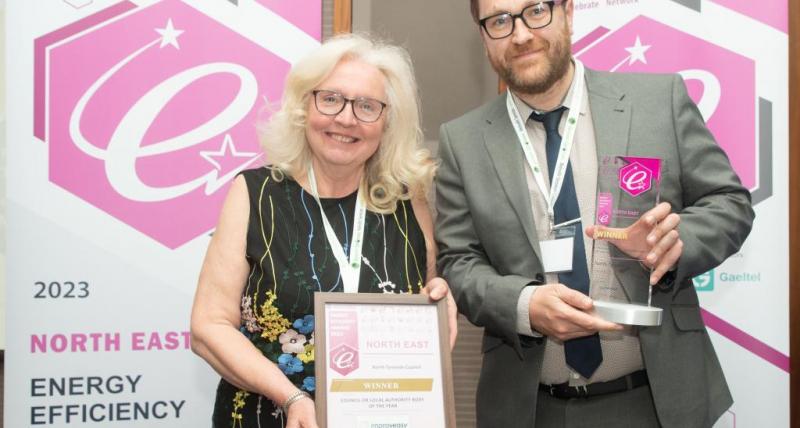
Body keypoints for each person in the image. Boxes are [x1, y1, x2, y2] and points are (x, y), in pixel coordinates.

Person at [435, 1, 754, 427]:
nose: (521, 33)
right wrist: (524, 305)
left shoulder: (659, 102)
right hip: (529, 409)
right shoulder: (462, 141)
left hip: (654, 402)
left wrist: (671, 245)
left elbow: (729, 202)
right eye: (500, 20)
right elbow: (458, 263)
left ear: (567, 12)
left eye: (535, 11)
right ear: (483, 35)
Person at [191, 34, 457, 428]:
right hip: (269, 417)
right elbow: (208, 327)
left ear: (387, 122)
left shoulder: (407, 204)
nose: (347, 118)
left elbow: (427, 302)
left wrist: (439, 304)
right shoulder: (255, 194)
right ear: (304, 106)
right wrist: (292, 397)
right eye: (330, 99)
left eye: (367, 106)